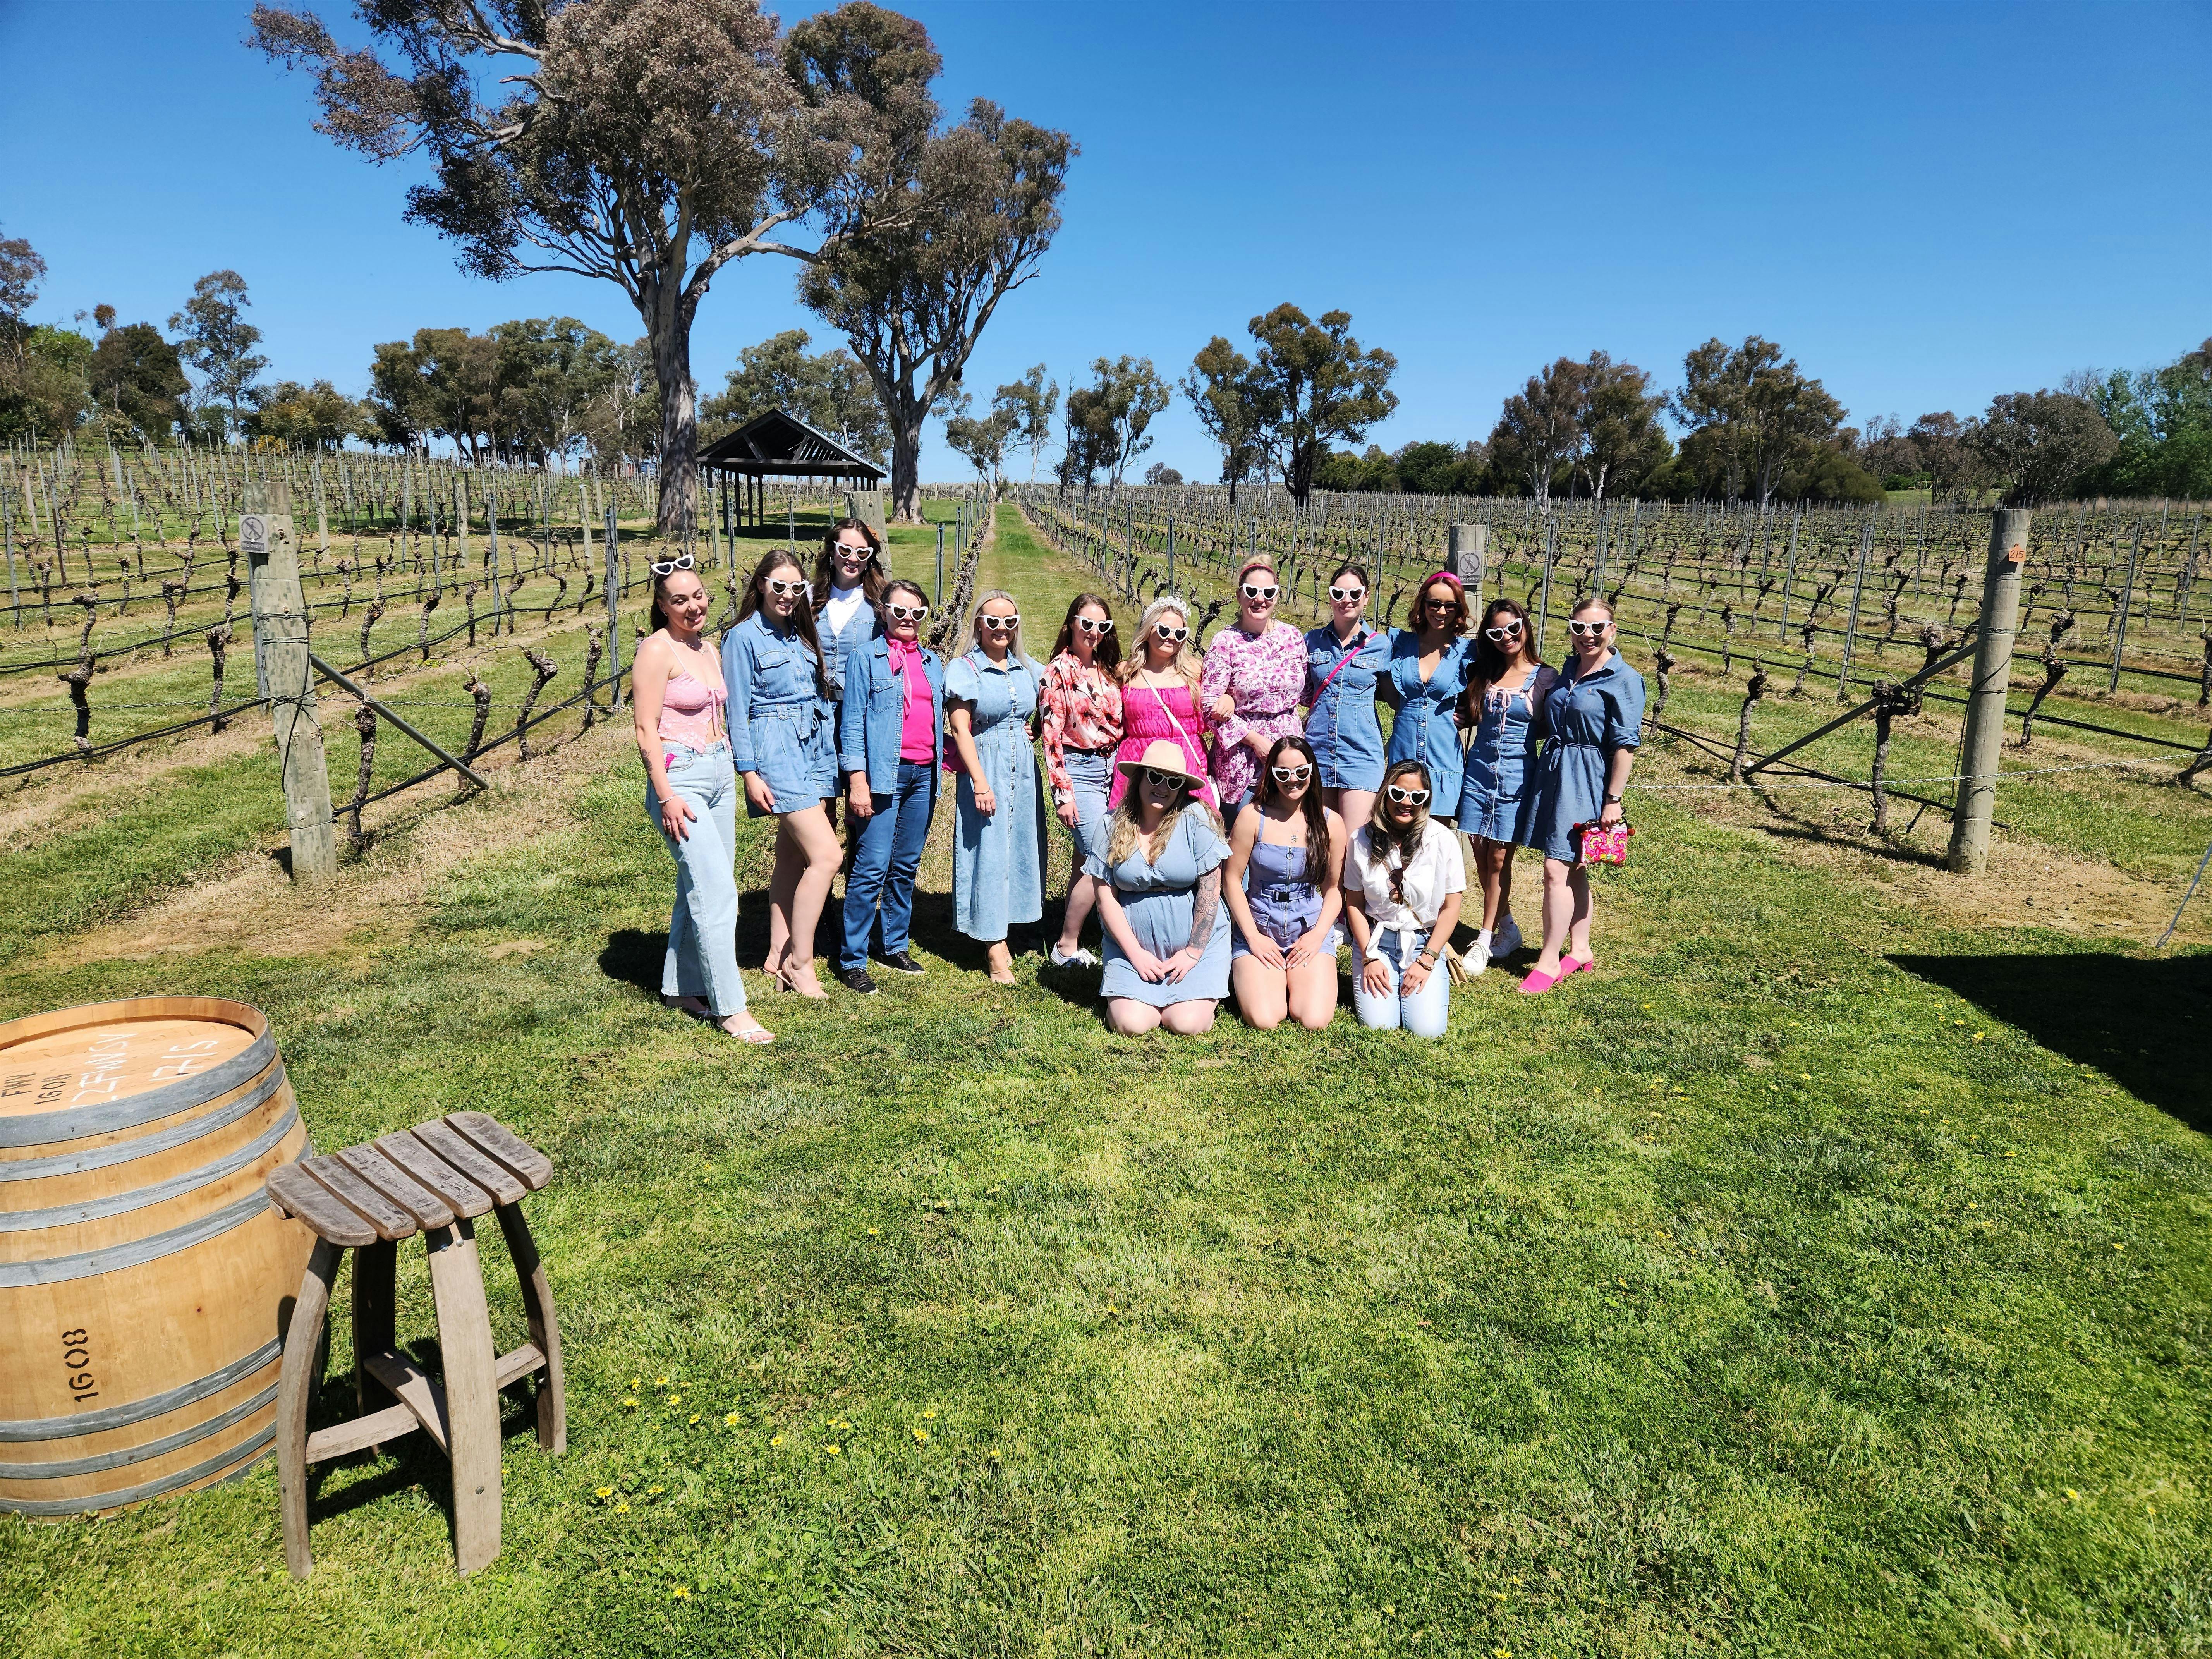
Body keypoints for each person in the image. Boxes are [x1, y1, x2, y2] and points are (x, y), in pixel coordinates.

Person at [630, 556, 773, 1044]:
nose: (693, 606)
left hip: (718, 773)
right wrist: (666, 796)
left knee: (701, 884)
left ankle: (679, 986)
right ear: (661, 605)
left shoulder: (708, 648)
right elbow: (645, 729)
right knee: (717, 894)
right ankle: (730, 1006)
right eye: (680, 600)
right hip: (681, 778)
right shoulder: (656, 651)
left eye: (698, 595)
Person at [723, 547, 839, 999]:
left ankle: (775, 954)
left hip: (812, 746)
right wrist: (749, 772)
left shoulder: (799, 634)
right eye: (779, 587)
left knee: (791, 857)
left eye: (797, 588)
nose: (788, 596)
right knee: (827, 856)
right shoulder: (742, 639)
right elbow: (738, 712)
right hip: (775, 751)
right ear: (760, 586)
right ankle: (801, 963)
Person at [1522, 597, 1645, 996]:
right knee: (1575, 866)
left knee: (1556, 869)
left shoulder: (1624, 678)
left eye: (1597, 628)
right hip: (1554, 771)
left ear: (1613, 630)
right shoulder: (1569, 668)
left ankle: (1548, 959)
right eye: (1579, 628)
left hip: (1588, 777)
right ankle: (1581, 948)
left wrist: (1614, 799)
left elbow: (1625, 745)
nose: (1588, 636)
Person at [834, 579, 943, 994]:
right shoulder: (867, 658)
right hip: (883, 776)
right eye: (900, 612)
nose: (908, 620)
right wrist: (857, 780)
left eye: (917, 613)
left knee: (905, 865)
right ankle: (852, 958)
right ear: (883, 612)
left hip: (923, 775)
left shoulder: (932, 663)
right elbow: (853, 723)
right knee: (871, 867)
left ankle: (894, 943)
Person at [1089, 740, 1233, 1035]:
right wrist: (1136, 954)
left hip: (1195, 947)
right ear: (1140, 777)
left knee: (1186, 1024)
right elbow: (1105, 900)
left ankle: (1193, 990)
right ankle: (1133, 989)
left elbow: (1210, 889)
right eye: (1155, 777)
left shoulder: (1196, 818)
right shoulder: (1110, 825)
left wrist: (1193, 952)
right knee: (1132, 1024)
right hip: (1132, 948)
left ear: (1182, 787)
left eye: (1173, 781)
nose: (1163, 787)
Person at [946, 589, 1048, 986]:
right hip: (986, 763)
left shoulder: (1027, 669)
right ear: (979, 625)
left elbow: (1056, 694)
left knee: (1019, 844)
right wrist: (980, 782)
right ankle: (993, 945)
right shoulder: (965, 669)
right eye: (993, 621)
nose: (1001, 629)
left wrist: (1036, 727)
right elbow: (960, 728)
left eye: (1010, 621)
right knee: (987, 849)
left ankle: (1009, 922)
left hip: (1022, 766)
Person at [1455, 596, 1558, 975]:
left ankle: (1484, 938)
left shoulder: (1545, 677)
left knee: (1499, 859)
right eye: (1497, 632)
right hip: (1478, 772)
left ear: (1525, 627)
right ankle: (1509, 927)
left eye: (1513, 629)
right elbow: (1466, 714)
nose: (1507, 637)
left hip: (1516, 778)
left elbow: (1552, 726)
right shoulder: (1485, 672)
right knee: (1481, 856)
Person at [1223, 734, 1345, 1031]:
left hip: (1308, 927)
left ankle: (1295, 977)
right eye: (1283, 773)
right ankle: (1263, 974)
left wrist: (1318, 936)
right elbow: (1232, 880)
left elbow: (1334, 890)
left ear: (1312, 772)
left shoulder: (1331, 823)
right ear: (1271, 775)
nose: (1293, 780)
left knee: (1315, 1019)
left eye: (1302, 772)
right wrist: (1252, 937)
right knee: (1266, 1018)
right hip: (1260, 925)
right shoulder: (1252, 816)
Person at [1343, 759, 1465, 1039]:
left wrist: (1428, 960)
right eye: (1398, 794)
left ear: (1426, 800)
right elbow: (1354, 904)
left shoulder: (1442, 839)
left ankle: (1426, 978)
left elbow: (1451, 907)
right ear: (1386, 793)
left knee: (1428, 1031)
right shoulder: (1359, 840)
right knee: (1379, 1027)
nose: (1406, 803)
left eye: (1416, 797)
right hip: (1377, 942)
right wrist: (1369, 957)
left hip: (1424, 943)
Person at [1040, 592, 1124, 969]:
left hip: (1116, 771)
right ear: (1071, 624)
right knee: (1100, 855)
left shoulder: (1110, 668)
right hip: (1082, 771)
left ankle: (1080, 932)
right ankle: (1066, 946)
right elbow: (1051, 735)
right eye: (1086, 624)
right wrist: (1063, 793)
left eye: (1101, 626)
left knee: (1086, 855)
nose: (1093, 632)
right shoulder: (1058, 671)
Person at [1200, 557, 1307, 810]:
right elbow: (1208, 706)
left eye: (1268, 592)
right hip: (1241, 762)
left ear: (1277, 596)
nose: (1260, 599)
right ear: (1239, 595)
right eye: (1252, 592)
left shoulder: (1292, 637)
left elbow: (1308, 692)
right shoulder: (1225, 642)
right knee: (1239, 839)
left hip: (1289, 761)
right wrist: (1257, 742)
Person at [1302, 562, 1389, 840]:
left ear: (1366, 598)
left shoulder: (1382, 645)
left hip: (1360, 754)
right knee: (1320, 840)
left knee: (1355, 844)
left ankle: (1349, 887)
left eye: (1355, 594)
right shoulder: (1311, 641)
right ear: (1330, 597)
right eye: (1338, 594)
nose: (1346, 601)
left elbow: (1408, 687)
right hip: (1318, 751)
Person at [1379, 571, 1474, 822]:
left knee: (1436, 843)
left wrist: (1470, 715)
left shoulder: (1467, 652)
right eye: (1434, 604)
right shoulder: (1399, 643)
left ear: (1459, 609)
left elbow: (1493, 689)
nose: (1441, 612)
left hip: (1442, 758)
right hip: (1404, 753)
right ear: (1423, 604)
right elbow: (1384, 689)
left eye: (1450, 606)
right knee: (1399, 842)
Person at [1110, 596, 1217, 812]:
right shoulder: (1126, 671)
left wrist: (1227, 699)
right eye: (1164, 630)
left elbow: (1224, 695)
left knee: (1192, 824)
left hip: (1184, 758)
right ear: (1148, 630)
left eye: (1179, 633)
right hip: (1139, 760)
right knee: (1133, 828)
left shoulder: (1195, 669)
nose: (1171, 638)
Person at [813, 517, 886, 830]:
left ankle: (859, 873)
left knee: (862, 804)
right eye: (845, 549)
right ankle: (822, 872)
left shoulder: (880, 604)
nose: (853, 558)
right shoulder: (809, 599)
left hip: (861, 713)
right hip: (816, 713)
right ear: (832, 551)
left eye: (862, 552)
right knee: (819, 805)